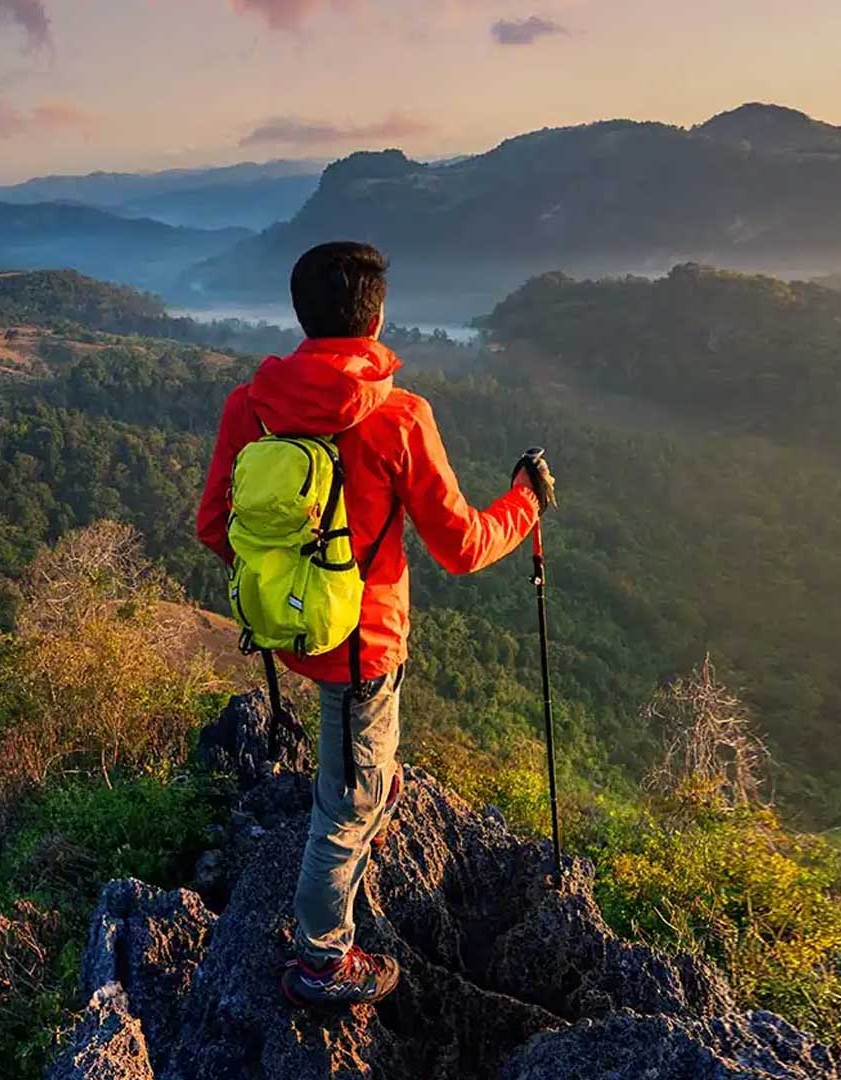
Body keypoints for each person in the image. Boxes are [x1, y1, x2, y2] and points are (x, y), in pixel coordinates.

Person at [195, 241, 556, 1008]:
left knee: (361, 765)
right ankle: (322, 962)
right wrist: (524, 504)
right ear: (377, 315)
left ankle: (369, 799)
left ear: (300, 315)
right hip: (365, 645)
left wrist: (286, 581)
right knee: (343, 807)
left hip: (292, 631)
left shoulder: (250, 406)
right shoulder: (399, 416)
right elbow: (459, 547)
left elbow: (213, 526)